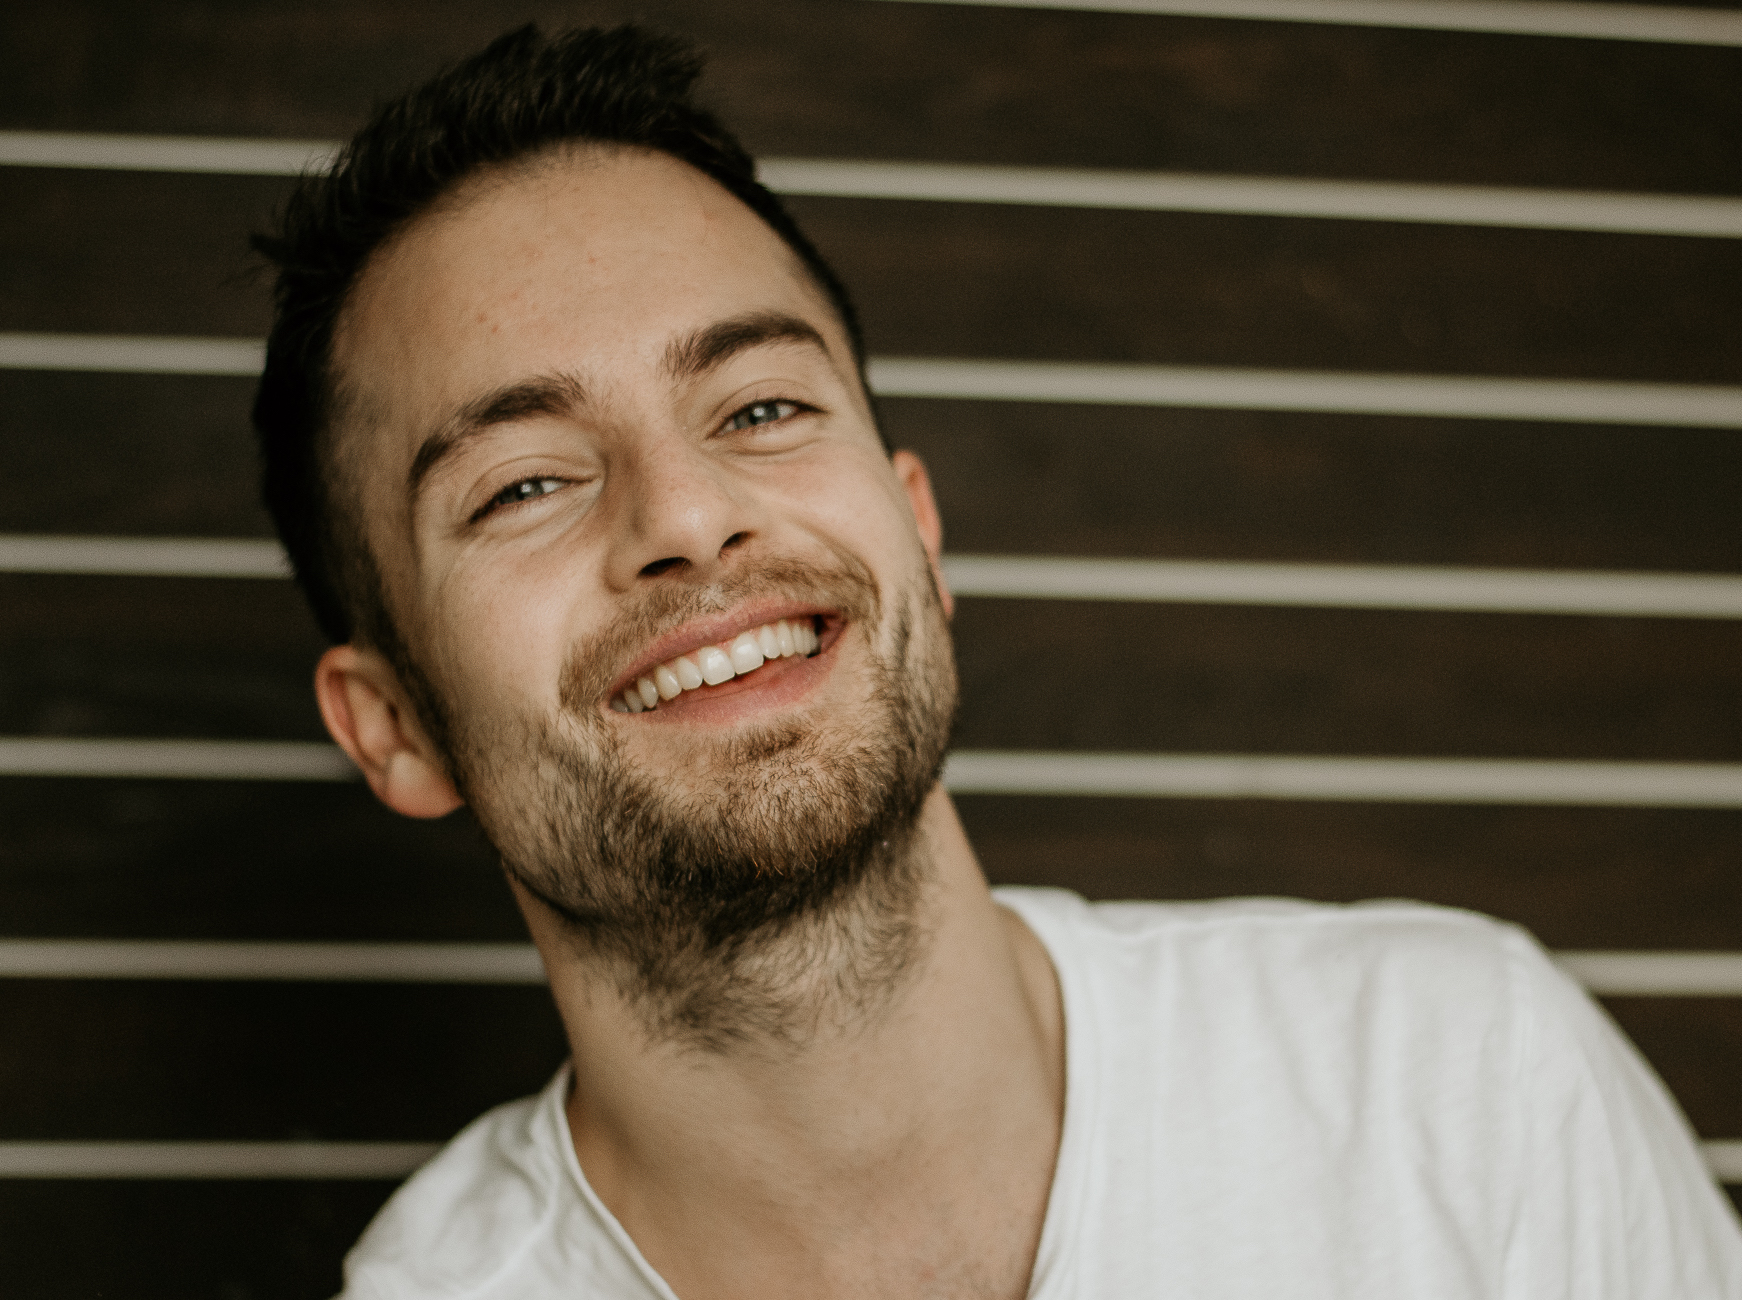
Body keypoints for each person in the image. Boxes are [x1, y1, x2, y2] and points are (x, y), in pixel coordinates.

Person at [251, 23, 1742, 1299]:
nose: (689, 518)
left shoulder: (1463, 1091)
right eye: (522, 484)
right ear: (392, 729)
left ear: (918, 532)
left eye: (761, 407)